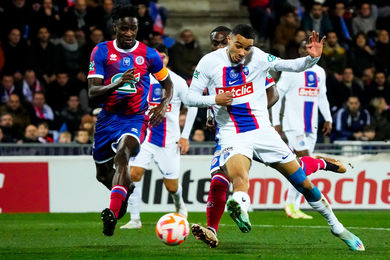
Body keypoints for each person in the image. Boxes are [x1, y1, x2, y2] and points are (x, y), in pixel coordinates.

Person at [187, 24, 364, 251]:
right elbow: (190, 98)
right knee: (239, 177)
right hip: (232, 133)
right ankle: (240, 206)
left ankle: (337, 227)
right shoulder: (208, 63)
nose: (242, 53)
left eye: (247, 48)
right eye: (238, 46)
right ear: (230, 40)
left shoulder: (258, 57)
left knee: (303, 184)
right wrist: (214, 100)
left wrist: (312, 59)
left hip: (263, 131)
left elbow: (290, 65)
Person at [87, 5, 173, 236]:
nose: (128, 33)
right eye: (123, 28)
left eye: (132, 28)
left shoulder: (149, 54)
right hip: (107, 118)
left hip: (135, 118)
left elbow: (168, 84)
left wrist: (163, 106)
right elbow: (92, 93)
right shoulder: (101, 51)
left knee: (123, 155)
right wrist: (118, 82)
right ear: (115, 27)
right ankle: (125, 191)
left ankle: (112, 213)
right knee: (102, 174)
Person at [120, 44, 197, 229]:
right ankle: (135, 219)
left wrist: (185, 136)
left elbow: (192, 105)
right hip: (144, 138)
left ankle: (180, 205)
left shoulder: (176, 81)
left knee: (171, 186)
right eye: (156, 57)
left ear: (167, 59)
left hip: (169, 142)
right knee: (134, 175)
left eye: (162, 56)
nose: (159, 60)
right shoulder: (140, 79)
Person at [272, 40, 341, 219]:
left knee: (301, 167)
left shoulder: (319, 72)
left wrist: (328, 118)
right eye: (304, 46)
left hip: (311, 125)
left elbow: (322, 96)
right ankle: (291, 205)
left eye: (310, 46)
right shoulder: (291, 71)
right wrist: (275, 122)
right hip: (293, 124)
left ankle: (292, 205)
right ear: (300, 50)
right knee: (305, 161)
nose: (307, 49)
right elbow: (277, 96)